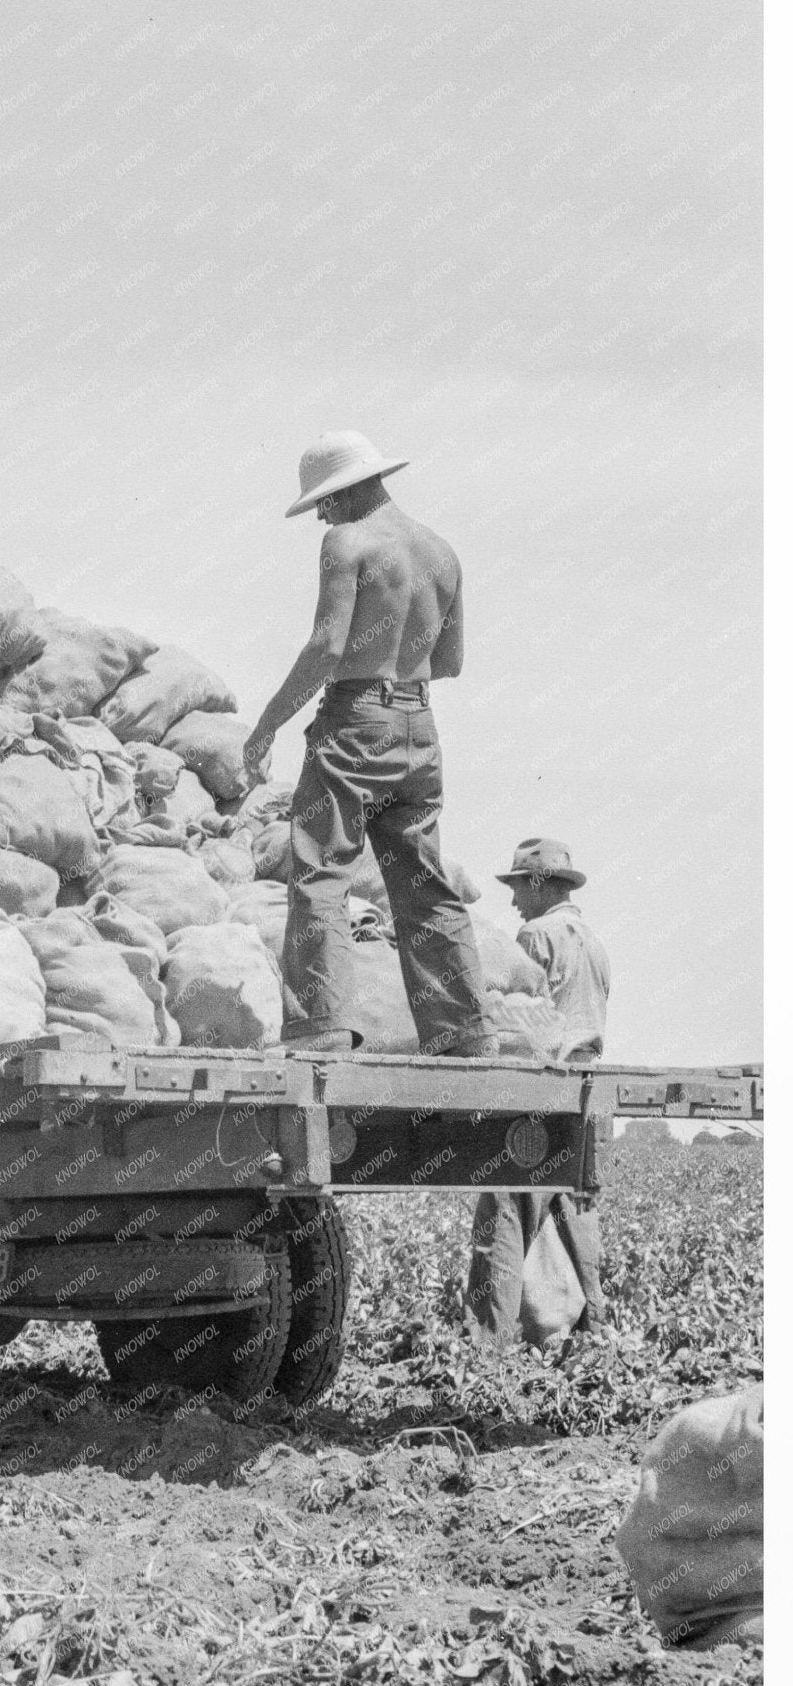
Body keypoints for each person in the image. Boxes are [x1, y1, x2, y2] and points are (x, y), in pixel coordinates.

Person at [243, 432, 497, 1058]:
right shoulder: (442, 551)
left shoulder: (347, 542)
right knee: (424, 884)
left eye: (324, 502)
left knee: (322, 871)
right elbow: (451, 661)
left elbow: (326, 648)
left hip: (355, 722)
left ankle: (321, 1029)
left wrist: (267, 724)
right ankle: (463, 1033)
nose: (321, 516)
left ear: (350, 489)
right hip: (420, 729)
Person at [467, 840, 610, 1345]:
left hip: (539, 1088)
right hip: (585, 1088)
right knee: (576, 1211)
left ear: (540, 884)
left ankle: (491, 1346)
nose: (513, 902)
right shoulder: (591, 941)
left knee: (505, 1211)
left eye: (518, 889)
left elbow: (522, 1016)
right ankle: (593, 1334)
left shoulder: (534, 935)